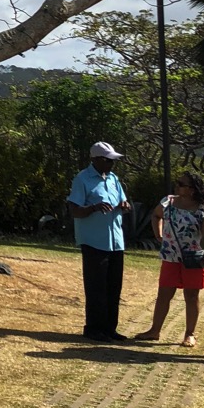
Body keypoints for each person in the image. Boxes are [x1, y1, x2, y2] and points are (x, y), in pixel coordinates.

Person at [67, 141, 133, 342]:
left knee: (114, 286)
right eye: (108, 160)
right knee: (96, 287)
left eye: (113, 160)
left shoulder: (113, 178)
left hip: (115, 240)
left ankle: (110, 329)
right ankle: (94, 328)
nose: (112, 164)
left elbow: (124, 202)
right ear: (95, 159)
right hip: (94, 241)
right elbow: (74, 210)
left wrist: (124, 205)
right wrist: (93, 207)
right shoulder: (83, 179)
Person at [134, 172, 204, 347]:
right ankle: (154, 331)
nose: (177, 186)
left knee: (191, 296)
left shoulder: (202, 206)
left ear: (192, 189)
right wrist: (159, 235)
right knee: (164, 295)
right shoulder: (168, 201)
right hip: (170, 256)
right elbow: (156, 215)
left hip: (194, 256)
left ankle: (190, 334)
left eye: (181, 184)